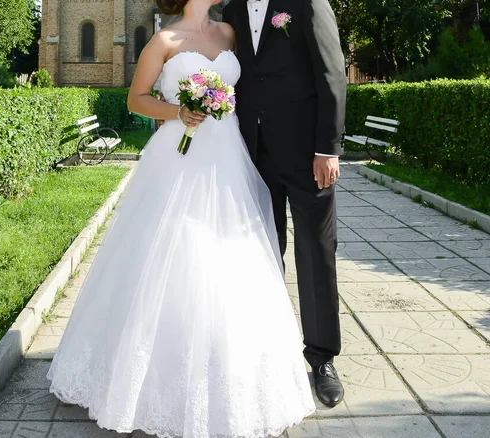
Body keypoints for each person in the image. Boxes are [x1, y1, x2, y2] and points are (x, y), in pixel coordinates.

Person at [47, 0, 316, 436]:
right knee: (175, 250)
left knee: (228, 254)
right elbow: (137, 99)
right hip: (178, 155)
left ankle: (229, 368)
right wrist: (178, 111)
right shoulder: (164, 40)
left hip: (228, 154)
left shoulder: (230, 34)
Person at [222, 0, 347, 407]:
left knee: (315, 252)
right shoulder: (232, 11)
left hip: (308, 157)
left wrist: (328, 148)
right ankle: (267, 351)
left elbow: (332, 71)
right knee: (261, 253)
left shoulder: (307, 3)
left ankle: (322, 358)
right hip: (255, 155)